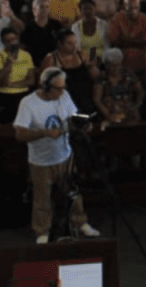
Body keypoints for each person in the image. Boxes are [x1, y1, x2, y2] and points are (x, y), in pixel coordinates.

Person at [14, 67, 102, 243]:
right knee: (42, 199)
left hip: (64, 157)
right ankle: (42, 232)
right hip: (41, 161)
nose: (62, 92)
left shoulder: (64, 96)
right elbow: (20, 134)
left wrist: (82, 124)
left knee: (73, 193)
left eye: (63, 87)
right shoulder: (28, 103)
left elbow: (71, 117)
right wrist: (44, 133)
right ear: (46, 87)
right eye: (58, 88)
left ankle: (80, 222)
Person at [39, 30, 98, 115]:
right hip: (64, 102)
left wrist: (92, 66)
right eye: (70, 44)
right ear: (60, 44)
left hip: (86, 98)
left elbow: (94, 76)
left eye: (76, 43)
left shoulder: (81, 54)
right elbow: (43, 84)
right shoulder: (51, 58)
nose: (74, 46)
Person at [92, 48, 144, 126]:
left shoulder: (128, 73)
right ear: (106, 65)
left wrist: (136, 106)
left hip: (128, 110)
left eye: (118, 65)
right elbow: (97, 100)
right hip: (110, 111)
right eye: (112, 65)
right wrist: (108, 115)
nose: (116, 68)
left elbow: (140, 91)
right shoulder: (101, 77)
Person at [107, 0, 146, 74]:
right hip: (121, 56)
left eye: (136, 7)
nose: (134, 11)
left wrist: (124, 40)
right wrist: (136, 42)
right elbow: (114, 41)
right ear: (124, 6)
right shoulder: (116, 18)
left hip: (140, 56)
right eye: (131, 8)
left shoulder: (145, 18)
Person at [0, 28, 36, 124]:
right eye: (9, 41)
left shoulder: (26, 55)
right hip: (4, 94)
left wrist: (12, 84)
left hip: (23, 93)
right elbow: (2, 81)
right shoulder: (1, 55)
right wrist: (10, 60)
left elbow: (31, 81)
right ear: (4, 42)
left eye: (14, 39)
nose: (12, 43)